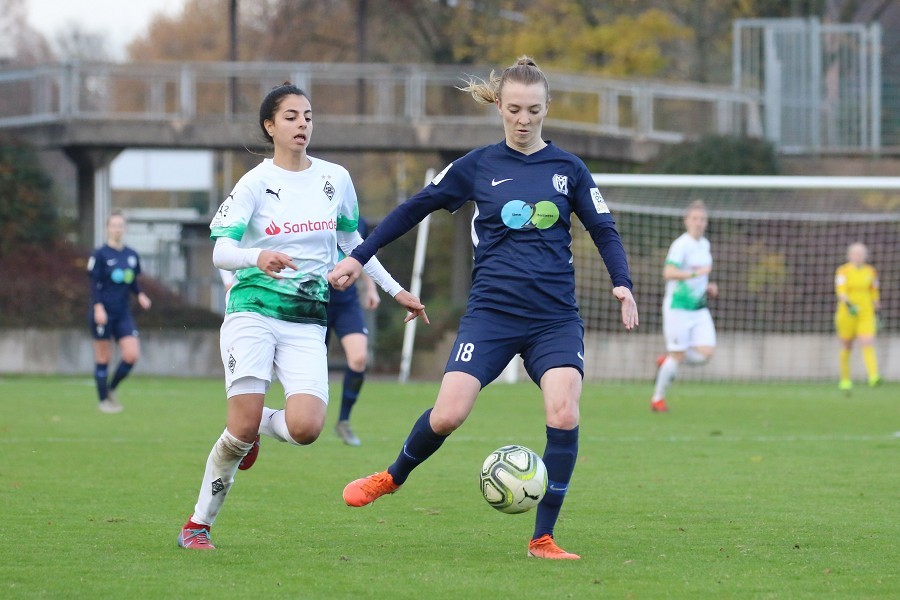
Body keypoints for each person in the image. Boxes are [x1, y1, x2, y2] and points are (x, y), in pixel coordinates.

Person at [328, 57, 638, 560]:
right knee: (449, 414)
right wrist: (358, 256)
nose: (523, 119)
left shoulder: (569, 169)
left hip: (554, 318)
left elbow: (603, 228)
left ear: (546, 109)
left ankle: (542, 538)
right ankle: (392, 476)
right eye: (514, 109)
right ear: (498, 106)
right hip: (491, 315)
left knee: (563, 411)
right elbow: (413, 208)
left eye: (533, 110)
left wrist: (621, 283)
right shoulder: (477, 166)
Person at [177, 83, 427, 550]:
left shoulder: (336, 178)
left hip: (309, 318)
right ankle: (198, 524)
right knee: (242, 427)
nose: (302, 125)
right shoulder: (254, 182)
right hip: (252, 310)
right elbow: (221, 251)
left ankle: (252, 433)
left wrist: (397, 290)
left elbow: (355, 245)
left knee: (307, 428)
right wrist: (258, 257)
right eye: (291, 117)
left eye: (308, 116)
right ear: (270, 126)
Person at [650, 200, 718, 413]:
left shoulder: (704, 245)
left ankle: (668, 360)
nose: (699, 223)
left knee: (706, 353)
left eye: (702, 219)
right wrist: (695, 274)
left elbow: (699, 277)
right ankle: (658, 398)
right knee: (678, 355)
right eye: (695, 219)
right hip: (678, 307)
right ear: (686, 221)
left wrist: (707, 287)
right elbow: (668, 273)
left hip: (698, 308)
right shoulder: (681, 244)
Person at [87, 211, 152, 414]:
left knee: (132, 354)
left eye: (121, 225)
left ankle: (111, 388)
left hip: (123, 313)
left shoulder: (131, 255)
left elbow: (132, 281)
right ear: (108, 228)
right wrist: (98, 307)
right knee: (103, 357)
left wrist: (140, 294)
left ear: (125, 228)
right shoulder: (100, 254)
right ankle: (103, 401)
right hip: (103, 312)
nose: (117, 229)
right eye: (114, 225)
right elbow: (94, 284)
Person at [328, 217, 380, 446]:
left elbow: (364, 256)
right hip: (316, 299)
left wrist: (371, 288)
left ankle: (344, 421)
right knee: (311, 366)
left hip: (347, 302)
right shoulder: (312, 211)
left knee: (359, 358)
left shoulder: (357, 221)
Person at [834, 242, 881, 390]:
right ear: (850, 255)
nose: (859, 256)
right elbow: (841, 292)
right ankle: (845, 379)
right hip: (847, 313)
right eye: (856, 253)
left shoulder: (871, 271)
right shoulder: (843, 271)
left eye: (862, 254)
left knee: (867, 341)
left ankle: (873, 376)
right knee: (847, 345)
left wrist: (876, 303)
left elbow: (874, 290)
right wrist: (849, 305)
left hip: (866, 313)